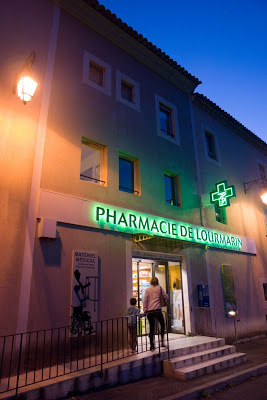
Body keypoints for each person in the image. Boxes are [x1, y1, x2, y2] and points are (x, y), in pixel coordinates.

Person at [143, 277, 168, 351]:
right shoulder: (159, 288)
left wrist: (145, 311)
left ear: (150, 282)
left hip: (150, 311)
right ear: (157, 281)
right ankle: (162, 341)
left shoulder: (147, 290)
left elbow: (145, 301)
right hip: (157, 310)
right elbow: (166, 296)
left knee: (152, 328)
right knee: (162, 325)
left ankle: (152, 345)